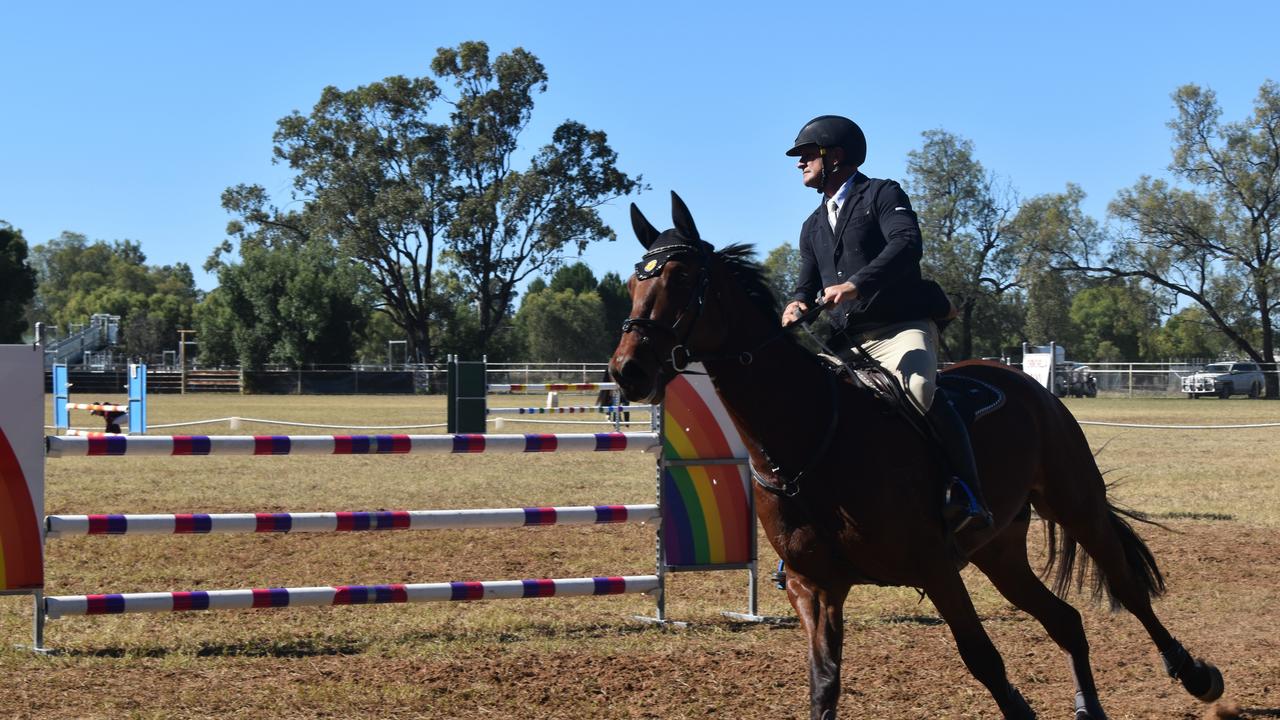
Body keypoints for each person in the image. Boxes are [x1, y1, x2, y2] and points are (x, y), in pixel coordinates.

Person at [780, 114, 992, 533]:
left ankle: (967, 495)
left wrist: (856, 284)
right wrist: (795, 303)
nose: (799, 163)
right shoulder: (812, 226)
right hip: (845, 340)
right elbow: (805, 285)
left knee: (917, 389)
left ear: (835, 156)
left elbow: (907, 243)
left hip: (899, 328)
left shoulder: (881, 194)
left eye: (806, 155)